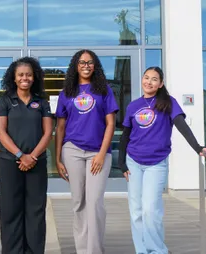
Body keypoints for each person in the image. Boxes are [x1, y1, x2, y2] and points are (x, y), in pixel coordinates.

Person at [118, 66, 206, 254]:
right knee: (136, 211)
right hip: (133, 161)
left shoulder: (168, 103)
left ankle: (158, 250)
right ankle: (142, 250)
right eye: (146, 78)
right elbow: (126, 135)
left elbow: (182, 126)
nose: (148, 82)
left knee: (151, 210)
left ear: (160, 84)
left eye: (154, 79)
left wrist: (197, 147)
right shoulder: (133, 105)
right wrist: (121, 162)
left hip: (156, 163)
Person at [54, 49, 119, 254]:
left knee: (95, 202)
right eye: (82, 62)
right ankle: (83, 250)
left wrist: (101, 153)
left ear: (95, 65)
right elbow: (61, 128)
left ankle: (95, 250)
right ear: (75, 65)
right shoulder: (67, 92)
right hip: (72, 150)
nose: (86, 66)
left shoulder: (104, 90)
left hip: (98, 152)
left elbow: (111, 124)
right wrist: (57, 158)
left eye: (90, 62)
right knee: (79, 202)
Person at [0, 56, 53, 254]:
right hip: (10, 163)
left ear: (34, 77)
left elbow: (48, 133)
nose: (24, 78)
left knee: (36, 211)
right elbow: (1, 132)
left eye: (28, 74)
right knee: (10, 211)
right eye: (20, 75)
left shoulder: (42, 102)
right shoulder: (4, 101)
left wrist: (32, 156)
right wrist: (21, 154)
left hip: (37, 163)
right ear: (13, 78)